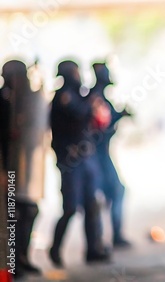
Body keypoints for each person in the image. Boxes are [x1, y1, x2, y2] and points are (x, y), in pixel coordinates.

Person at [49, 60, 111, 267]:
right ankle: (55, 249)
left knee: (92, 205)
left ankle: (94, 249)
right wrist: (97, 88)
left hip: (87, 158)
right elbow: (81, 112)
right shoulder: (63, 97)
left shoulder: (80, 94)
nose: (77, 76)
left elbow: (92, 112)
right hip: (71, 161)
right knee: (70, 208)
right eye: (74, 72)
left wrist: (99, 86)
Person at [1, 60, 46, 277]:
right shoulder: (4, 100)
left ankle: (21, 257)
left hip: (20, 170)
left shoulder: (22, 100)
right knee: (12, 216)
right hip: (6, 170)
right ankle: (12, 263)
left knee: (29, 211)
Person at [88, 62, 131, 248]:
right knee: (97, 198)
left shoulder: (99, 98)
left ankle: (109, 238)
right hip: (96, 156)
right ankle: (100, 241)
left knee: (113, 193)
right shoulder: (95, 99)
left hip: (101, 155)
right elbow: (99, 129)